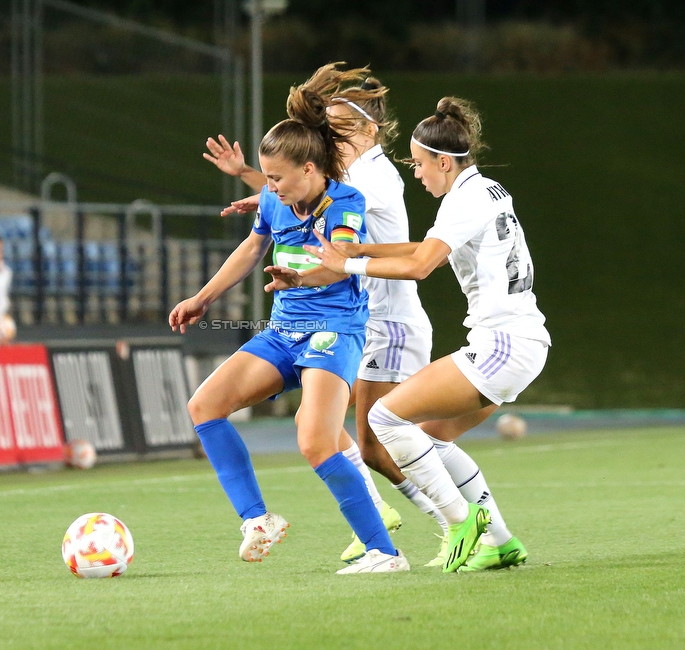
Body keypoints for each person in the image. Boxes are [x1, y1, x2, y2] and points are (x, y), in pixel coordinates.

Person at [206, 67, 524, 571]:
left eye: (338, 126)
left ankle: (455, 527)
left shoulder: (372, 177)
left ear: (368, 131)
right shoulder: (352, 175)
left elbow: (324, 209)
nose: (329, 136)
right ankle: (406, 522)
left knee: (381, 437)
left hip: (387, 322)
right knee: (338, 431)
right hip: (366, 319)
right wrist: (263, 186)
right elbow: (302, 185)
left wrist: (269, 192)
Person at [275, 96, 550, 572]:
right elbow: (425, 246)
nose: (417, 174)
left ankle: (460, 523)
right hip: (522, 341)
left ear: (444, 161)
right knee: (434, 440)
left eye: (421, 164)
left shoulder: (462, 199)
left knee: (384, 419)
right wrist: (361, 246)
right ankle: (500, 541)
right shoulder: (485, 189)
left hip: (502, 344)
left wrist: (349, 262)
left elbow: (423, 265)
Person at [172, 65, 409, 574]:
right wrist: (203, 297)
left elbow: (340, 259)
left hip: (334, 331)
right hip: (283, 332)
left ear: (309, 169)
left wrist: (301, 279)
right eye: (266, 178)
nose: (269, 188)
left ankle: (385, 554)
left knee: (314, 441)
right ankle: (257, 520)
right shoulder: (278, 201)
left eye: (276, 178)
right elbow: (252, 247)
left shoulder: (346, 201)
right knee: (205, 407)